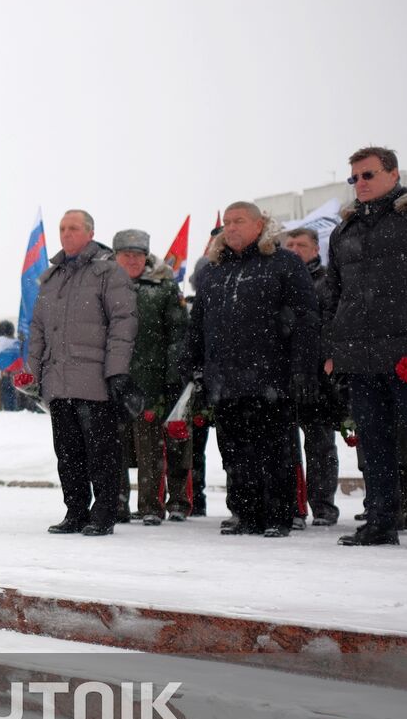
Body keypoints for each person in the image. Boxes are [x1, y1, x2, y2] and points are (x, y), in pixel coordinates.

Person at [184, 202, 318, 537]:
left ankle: (278, 515)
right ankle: (244, 512)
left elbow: (305, 319)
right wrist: (193, 366)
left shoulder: (284, 263)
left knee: (275, 450)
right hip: (225, 380)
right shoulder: (213, 271)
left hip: (271, 378)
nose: (230, 228)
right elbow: (197, 325)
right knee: (234, 451)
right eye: (227, 222)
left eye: (239, 221)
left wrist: (303, 368)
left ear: (259, 225)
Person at [322, 146, 407, 548]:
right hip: (360, 354)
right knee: (374, 441)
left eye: (367, 175)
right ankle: (381, 519)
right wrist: (332, 348)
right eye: (354, 178)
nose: (359, 184)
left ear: (393, 173)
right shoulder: (344, 229)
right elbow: (334, 293)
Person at [23, 209, 137, 536]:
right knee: (68, 452)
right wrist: (34, 373)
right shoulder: (52, 278)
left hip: (94, 382)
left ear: (89, 232)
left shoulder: (108, 272)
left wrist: (116, 371)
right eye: (62, 228)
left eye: (73, 228)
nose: (66, 233)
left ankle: (104, 512)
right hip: (59, 382)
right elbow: (38, 330)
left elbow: (123, 324)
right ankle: (75, 511)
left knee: (101, 451)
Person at [111, 230, 187, 525]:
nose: (132, 260)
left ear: (146, 257)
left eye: (137, 254)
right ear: (115, 256)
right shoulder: (105, 287)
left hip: (150, 381)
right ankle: (116, 503)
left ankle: (151, 507)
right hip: (113, 381)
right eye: (126, 254)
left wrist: (172, 376)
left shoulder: (164, 287)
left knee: (150, 448)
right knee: (114, 446)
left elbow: (177, 336)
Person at [283, 227, 342, 527]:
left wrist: (327, 360)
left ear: (315, 249)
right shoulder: (280, 279)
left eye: (301, 244)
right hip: (284, 374)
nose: (294, 249)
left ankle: (323, 506)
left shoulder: (327, 281)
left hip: (319, 375)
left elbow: (332, 320)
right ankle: (294, 507)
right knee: (287, 445)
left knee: (320, 444)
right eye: (289, 244)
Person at [0, 320, 21, 412]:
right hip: (17, 373)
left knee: (6, 394)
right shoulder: (17, 341)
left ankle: (8, 411)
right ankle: (16, 411)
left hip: (4, 373)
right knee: (15, 394)